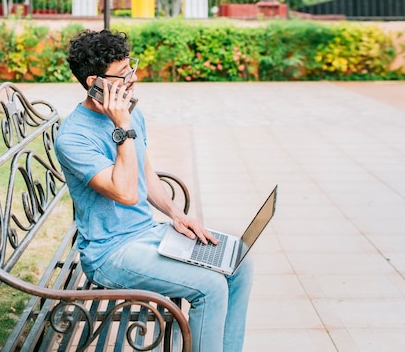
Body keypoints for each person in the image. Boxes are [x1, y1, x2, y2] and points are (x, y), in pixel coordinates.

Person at [53, 29, 254, 352]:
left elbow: (145, 174)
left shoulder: (131, 113)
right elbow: (127, 193)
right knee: (210, 287)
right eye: (122, 74)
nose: (133, 78)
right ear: (94, 82)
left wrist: (177, 214)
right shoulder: (74, 137)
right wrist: (122, 128)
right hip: (110, 253)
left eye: (131, 67)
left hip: (147, 233)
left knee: (239, 264)